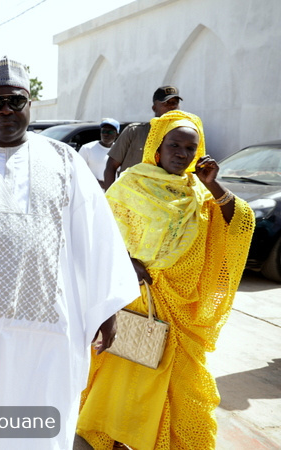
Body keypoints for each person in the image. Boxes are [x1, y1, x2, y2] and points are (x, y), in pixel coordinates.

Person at [0, 57, 139, 450]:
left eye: (14, 100)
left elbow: (97, 235)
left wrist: (107, 309)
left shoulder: (65, 161)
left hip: (49, 328)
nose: (5, 110)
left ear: (30, 105)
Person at [76, 110, 255, 450]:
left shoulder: (199, 193)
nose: (182, 154)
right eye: (174, 145)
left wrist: (212, 183)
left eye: (191, 148)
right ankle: (113, 439)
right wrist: (126, 262)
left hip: (182, 309)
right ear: (158, 146)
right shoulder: (130, 184)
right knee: (123, 382)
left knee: (181, 388)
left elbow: (239, 223)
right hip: (133, 302)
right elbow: (100, 238)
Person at [102, 86, 182, 189]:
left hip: (162, 200)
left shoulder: (183, 137)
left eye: (174, 103)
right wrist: (109, 200)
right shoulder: (134, 132)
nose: (171, 107)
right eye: (165, 103)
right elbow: (111, 166)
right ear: (154, 108)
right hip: (129, 198)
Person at [78, 118, 119, 188]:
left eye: (110, 132)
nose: (106, 134)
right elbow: (79, 170)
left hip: (111, 194)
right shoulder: (87, 148)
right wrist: (98, 183)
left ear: (117, 134)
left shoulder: (119, 150)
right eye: (103, 131)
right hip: (91, 192)